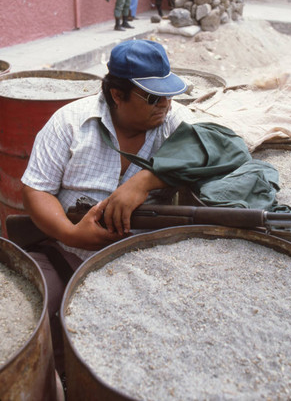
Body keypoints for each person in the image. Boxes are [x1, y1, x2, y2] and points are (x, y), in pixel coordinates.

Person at [20, 39, 189, 376]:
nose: (166, 105)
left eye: (170, 94)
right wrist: (71, 233)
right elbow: (36, 189)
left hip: (149, 262)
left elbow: (218, 152)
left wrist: (143, 182)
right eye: (154, 97)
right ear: (117, 94)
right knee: (31, 318)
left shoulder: (176, 123)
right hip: (67, 253)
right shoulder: (68, 123)